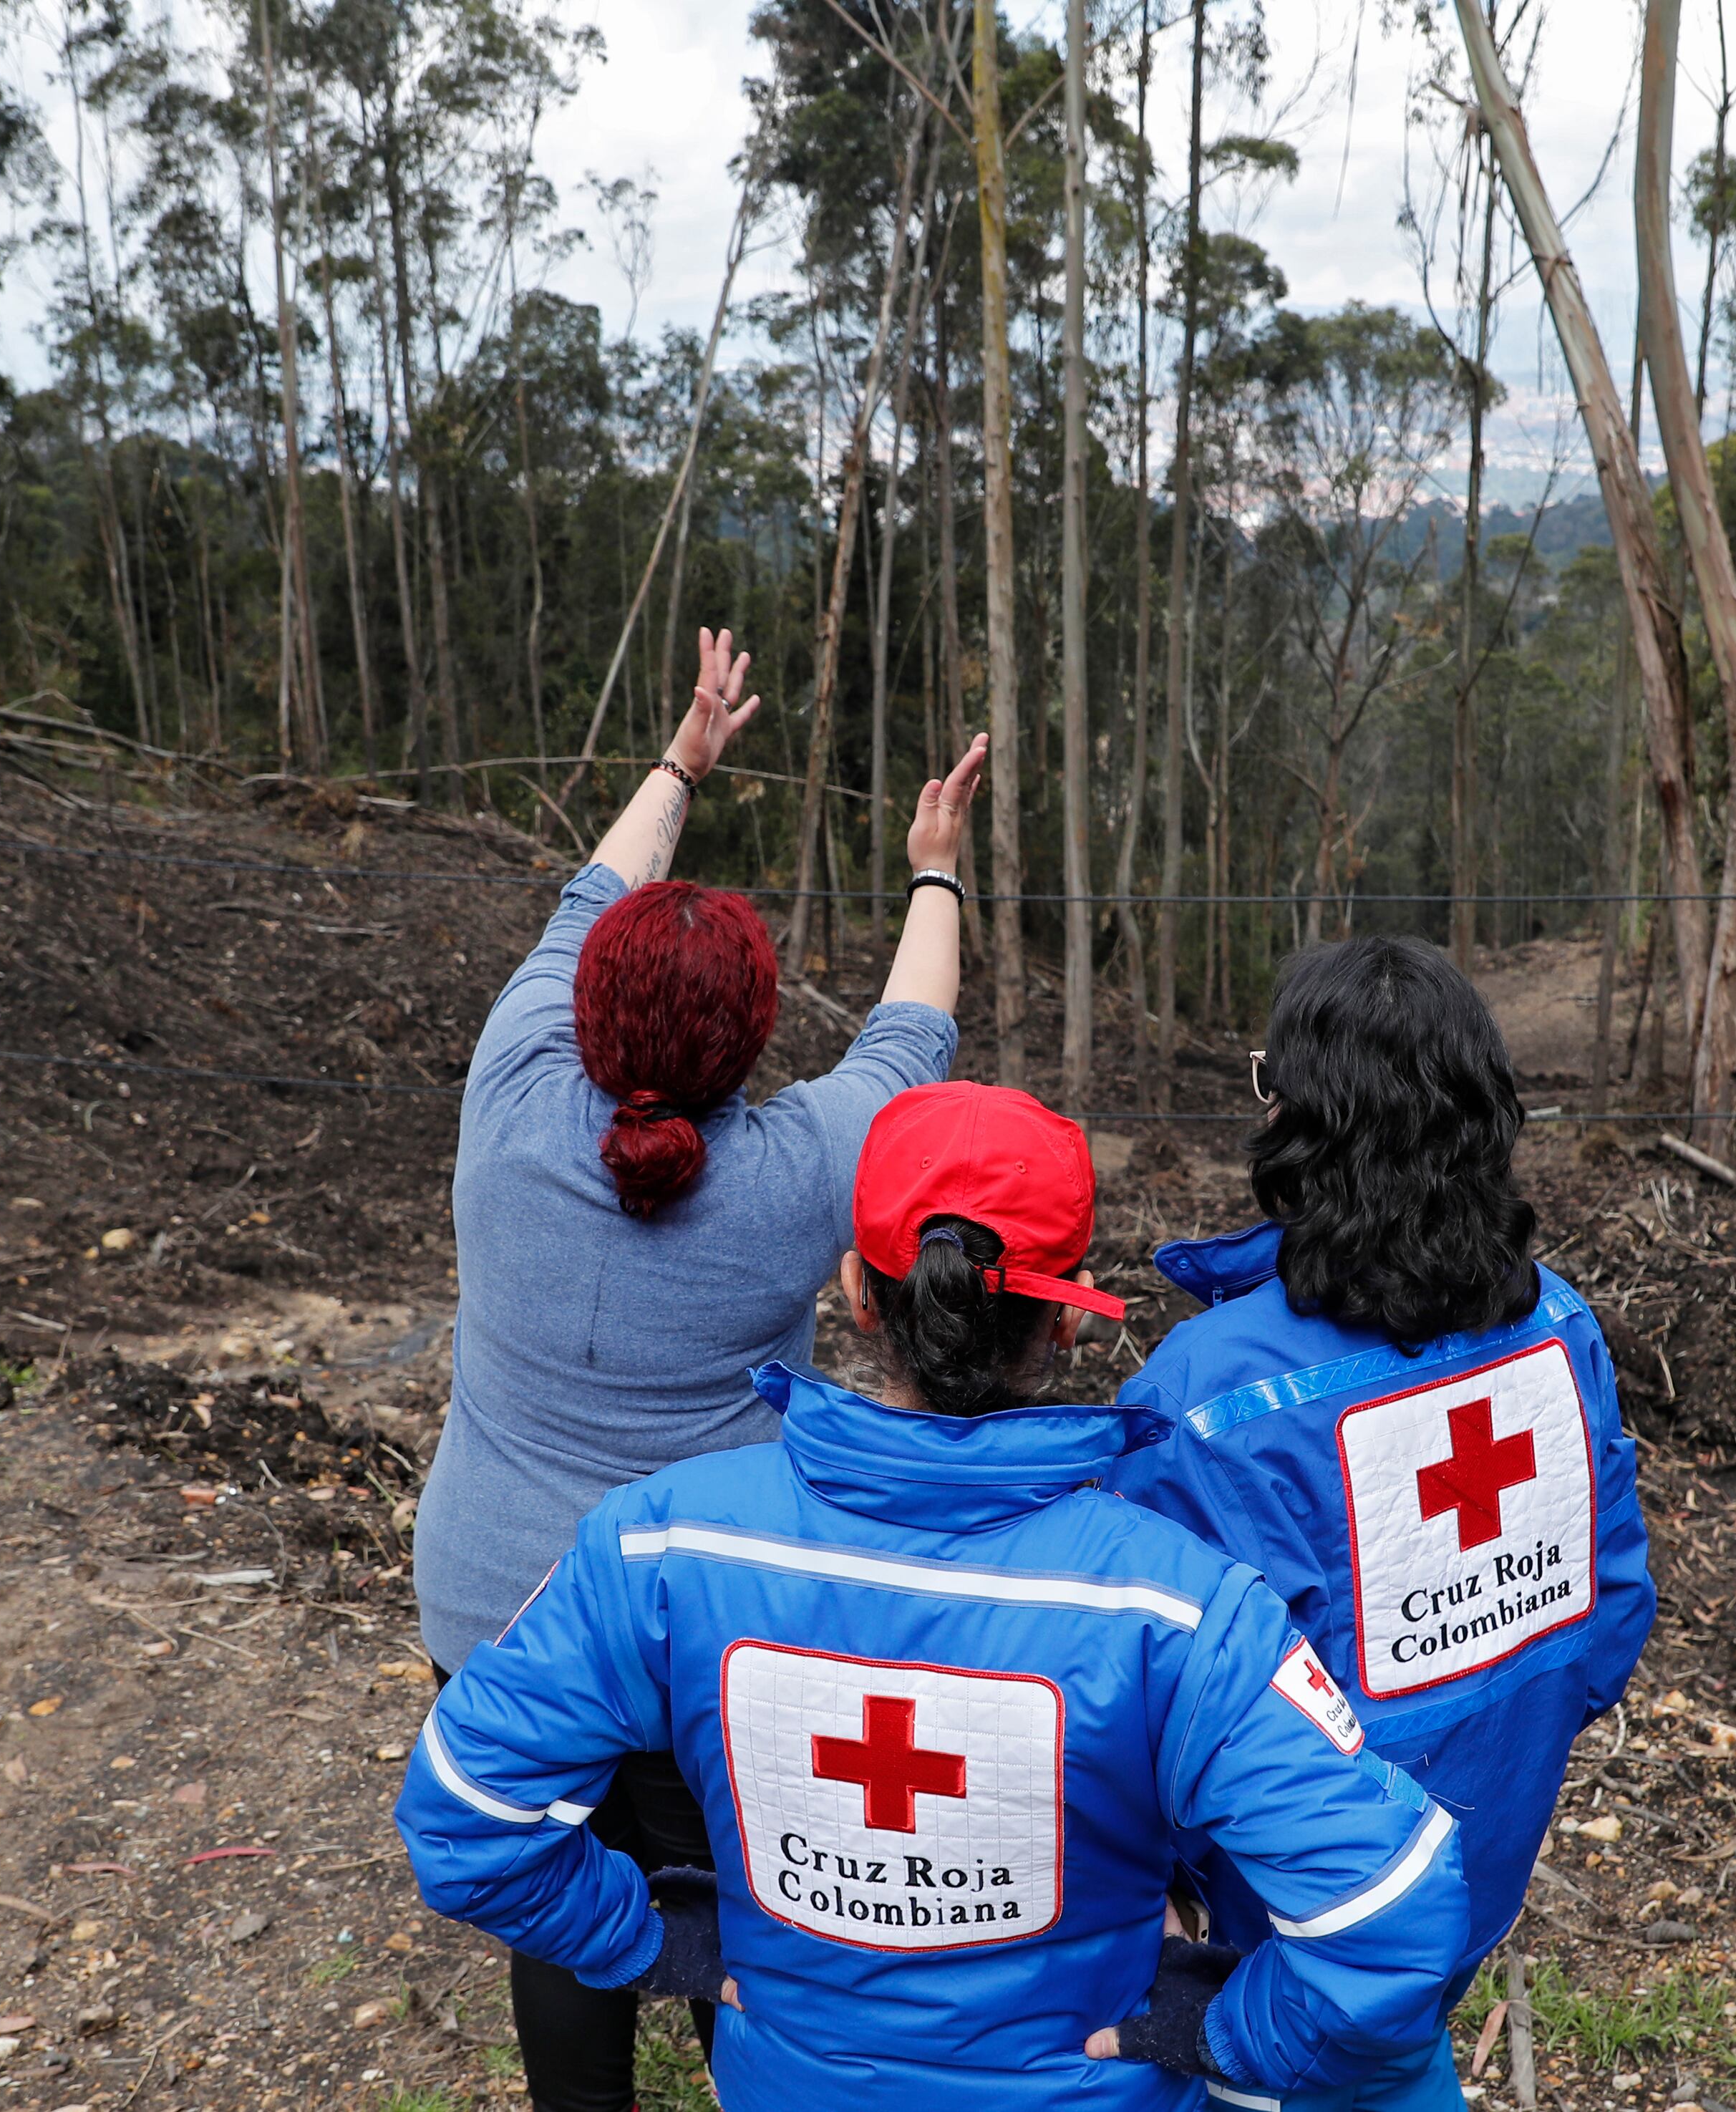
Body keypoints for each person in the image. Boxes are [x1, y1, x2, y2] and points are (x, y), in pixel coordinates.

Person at [395, 1082, 1472, 2112]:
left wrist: (649, 1938)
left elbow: (465, 1817)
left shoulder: (658, 1545)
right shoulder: (1185, 1612)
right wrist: (1227, 2031)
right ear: (1064, 1322)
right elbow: (1394, 1920)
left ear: (857, 1291)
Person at [408, 626, 989, 2112]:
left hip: (488, 1609)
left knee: (559, 1887)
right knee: (742, 1894)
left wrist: (681, 762)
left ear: (582, 1010)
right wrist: (934, 867)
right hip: (703, 1632)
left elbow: (586, 897)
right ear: (755, 1037)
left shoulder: (508, 1089)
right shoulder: (797, 1174)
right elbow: (913, 1036)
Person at [1110, 936, 1657, 2111]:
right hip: (1475, 1878)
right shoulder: (1559, 1325)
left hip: (1289, 1948)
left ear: (1295, 1119)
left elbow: (1145, 1727)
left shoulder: (1202, 1399)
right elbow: (1608, 1620)